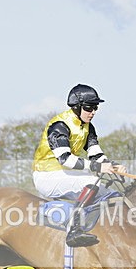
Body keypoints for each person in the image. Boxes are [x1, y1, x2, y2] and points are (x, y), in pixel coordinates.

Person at [32, 84, 125, 247]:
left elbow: (96, 154)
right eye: (89, 108)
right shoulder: (59, 126)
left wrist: (112, 165)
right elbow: (65, 159)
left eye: (96, 108)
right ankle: (74, 230)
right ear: (77, 107)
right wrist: (97, 167)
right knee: (89, 181)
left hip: (64, 175)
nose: (93, 112)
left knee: (106, 190)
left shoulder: (88, 127)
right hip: (46, 176)